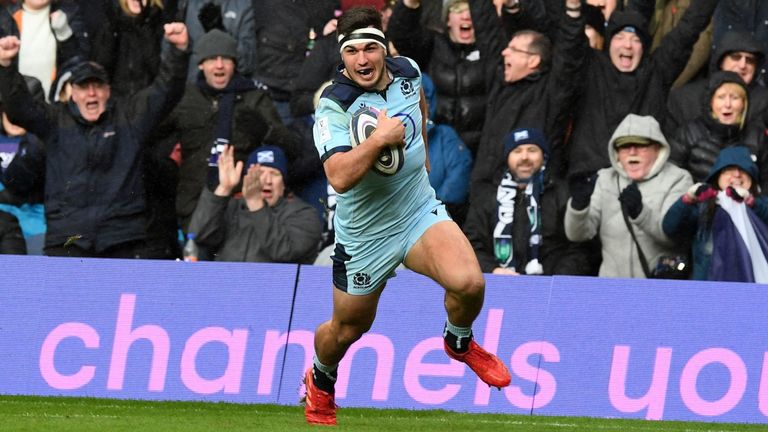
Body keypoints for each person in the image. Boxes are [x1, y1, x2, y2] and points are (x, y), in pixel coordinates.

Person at [304, 6, 510, 426]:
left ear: (384, 48)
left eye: (369, 49)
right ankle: (321, 378)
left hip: (416, 211)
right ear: (341, 56)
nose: (361, 60)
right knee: (347, 330)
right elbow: (339, 176)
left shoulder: (409, 71)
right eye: (352, 52)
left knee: (470, 283)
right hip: (365, 235)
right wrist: (380, 139)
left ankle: (458, 341)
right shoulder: (332, 103)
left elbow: (418, 105)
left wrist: (424, 160)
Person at [0, 21, 190, 258]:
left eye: (97, 86)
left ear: (108, 91)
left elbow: (166, 91)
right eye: (83, 87)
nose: (91, 93)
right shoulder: (55, 120)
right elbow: (18, 107)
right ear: (73, 93)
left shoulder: (129, 117)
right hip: (69, 238)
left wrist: (177, 51)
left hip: (123, 238)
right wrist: (6, 65)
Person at [154, 29, 293, 233]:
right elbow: (154, 134)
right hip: (194, 204)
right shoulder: (183, 98)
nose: (219, 65)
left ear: (234, 64)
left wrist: (266, 132)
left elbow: (292, 148)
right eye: (212, 59)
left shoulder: (254, 98)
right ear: (201, 64)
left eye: (226, 59)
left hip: (240, 205)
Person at [564, 0, 717, 180]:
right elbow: (568, 41)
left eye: (636, 39)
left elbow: (688, 29)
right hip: (588, 179)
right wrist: (573, 8)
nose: (627, 45)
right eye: (619, 37)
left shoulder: (656, 73)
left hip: (642, 183)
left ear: (643, 48)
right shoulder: (590, 67)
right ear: (609, 43)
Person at [469, 0, 586, 200]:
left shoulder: (553, 92)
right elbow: (487, 31)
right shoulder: (501, 83)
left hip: (536, 198)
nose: (505, 52)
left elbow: (569, 53)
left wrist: (574, 9)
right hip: (487, 193)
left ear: (533, 60)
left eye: (513, 49)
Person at [565, 114, 693, 278]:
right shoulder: (604, 179)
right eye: (624, 147)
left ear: (657, 149)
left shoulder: (678, 179)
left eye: (641, 146)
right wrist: (578, 206)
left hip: (660, 290)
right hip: (613, 290)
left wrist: (640, 213)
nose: (632, 152)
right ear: (616, 153)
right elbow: (577, 235)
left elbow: (673, 237)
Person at [464, 127, 595, 275]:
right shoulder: (487, 197)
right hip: (498, 286)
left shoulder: (562, 193)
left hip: (551, 290)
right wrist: (493, 270)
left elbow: (579, 248)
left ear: (543, 156)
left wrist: (556, 281)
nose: (524, 157)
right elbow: (470, 246)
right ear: (507, 158)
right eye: (517, 151)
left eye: (532, 150)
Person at [188, 145, 322, 263]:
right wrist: (223, 189)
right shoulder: (232, 207)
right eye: (259, 173)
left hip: (275, 289)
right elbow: (199, 236)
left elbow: (284, 251)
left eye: (274, 174)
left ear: (283, 184)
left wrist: (255, 203)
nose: (267, 180)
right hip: (224, 287)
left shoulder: (304, 214)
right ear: (246, 179)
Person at [388, 0, 488, 156]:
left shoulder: (491, 49)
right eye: (458, 10)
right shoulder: (432, 44)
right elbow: (402, 36)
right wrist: (410, 4)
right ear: (447, 19)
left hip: (481, 150)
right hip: (437, 146)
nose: (467, 16)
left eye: (471, 11)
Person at [663, 146, 768, 282]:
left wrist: (752, 202)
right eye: (728, 170)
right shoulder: (704, 207)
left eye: (743, 170)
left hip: (754, 290)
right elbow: (670, 228)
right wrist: (687, 199)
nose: (736, 174)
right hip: (709, 290)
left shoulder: (761, 205)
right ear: (717, 176)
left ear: (752, 177)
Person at [669, 71, 768, 192]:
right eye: (721, 97)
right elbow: (672, 178)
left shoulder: (757, 136)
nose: (727, 104)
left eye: (735, 98)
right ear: (710, 102)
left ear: (744, 103)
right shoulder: (688, 134)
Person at [666, 30, 768, 137]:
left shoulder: (764, 102)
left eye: (750, 60)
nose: (743, 65)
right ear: (721, 60)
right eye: (735, 57)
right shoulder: (684, 98)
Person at [0, 0, 90, 98]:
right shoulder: (6, 18)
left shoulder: (69, 13)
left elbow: (80, 65)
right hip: (14, 103)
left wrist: (65, 35)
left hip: (56, 105)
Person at [175, 0, 256, 81]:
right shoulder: (185, 4)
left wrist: (220, 33)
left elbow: (247, 64)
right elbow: (171, 59)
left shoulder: (244, 6)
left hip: (230, 88)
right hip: (193, 87)